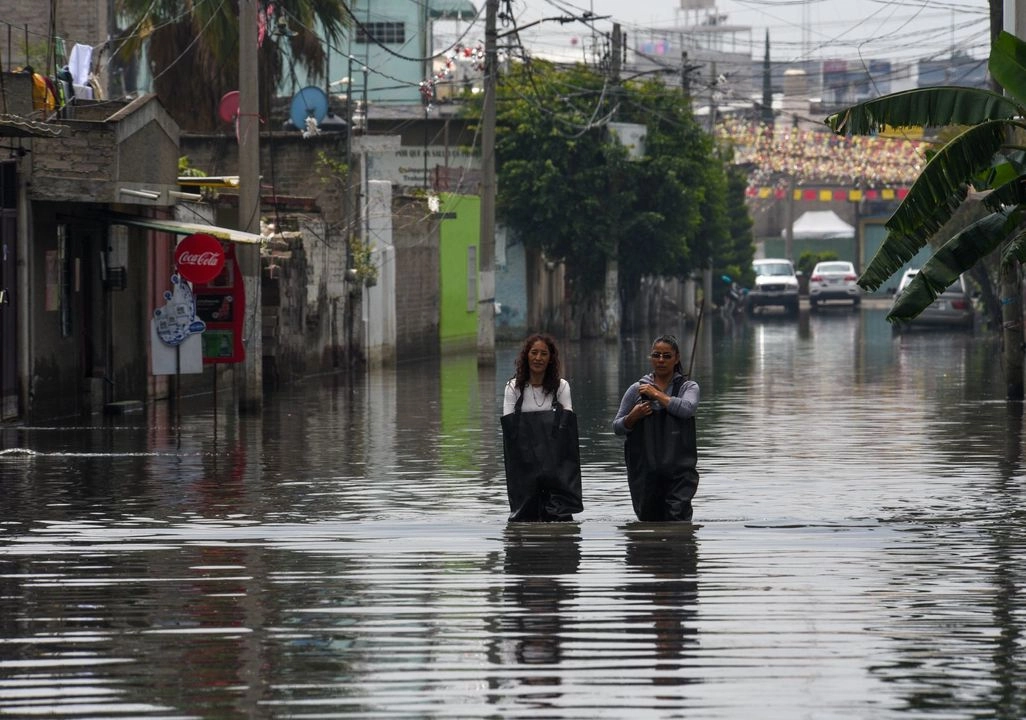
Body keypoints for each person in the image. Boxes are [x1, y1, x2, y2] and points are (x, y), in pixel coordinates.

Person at [613, 334, 700, 521]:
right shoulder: (636, 389)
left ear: (676, 358)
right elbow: (617, 427)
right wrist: (632, 417)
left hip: (680, 472)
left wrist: (656, 394)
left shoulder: (688, 387)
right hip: (645, 473)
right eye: (656, 355)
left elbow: (687, 409)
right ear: (651, 357)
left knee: (678, 520)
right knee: (647, 521)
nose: (661, 360)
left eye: (667, 356)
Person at [500, 334, 582, 522]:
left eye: (544, 354)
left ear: (550, 358)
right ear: (526, 356)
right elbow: (509, 430)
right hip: (524, 464)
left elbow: (567, 427)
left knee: (560, 518)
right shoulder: (513, 387)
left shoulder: (561, 387)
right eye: (534, 352)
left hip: (556, 464)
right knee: (524, 518)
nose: (538, 358)